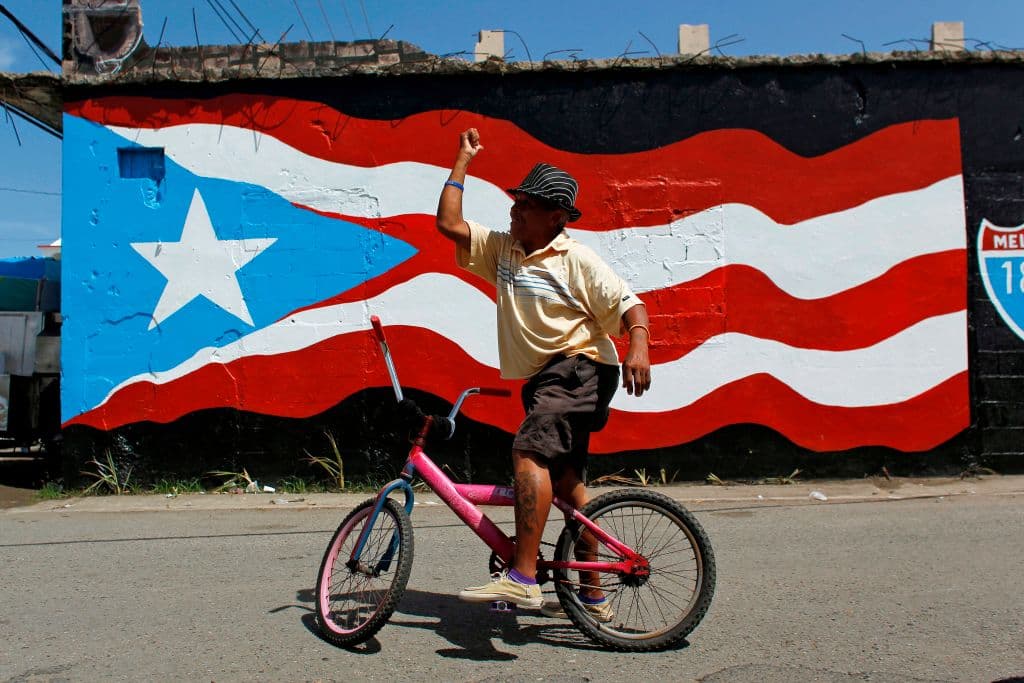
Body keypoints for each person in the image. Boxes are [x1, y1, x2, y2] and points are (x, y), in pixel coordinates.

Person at [435, 128, 651, 619]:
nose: (513, 212)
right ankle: (593, 592)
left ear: (555, 217)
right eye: (515, 203)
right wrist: (462, 160)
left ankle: (524, 578)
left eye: (524, 206)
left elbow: (631, 307)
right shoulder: (504, 249)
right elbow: (449, 224)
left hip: (579, 368)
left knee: (528, 451)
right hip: (547, 381)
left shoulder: (578, 261)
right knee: (568, 483)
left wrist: (638, 346)